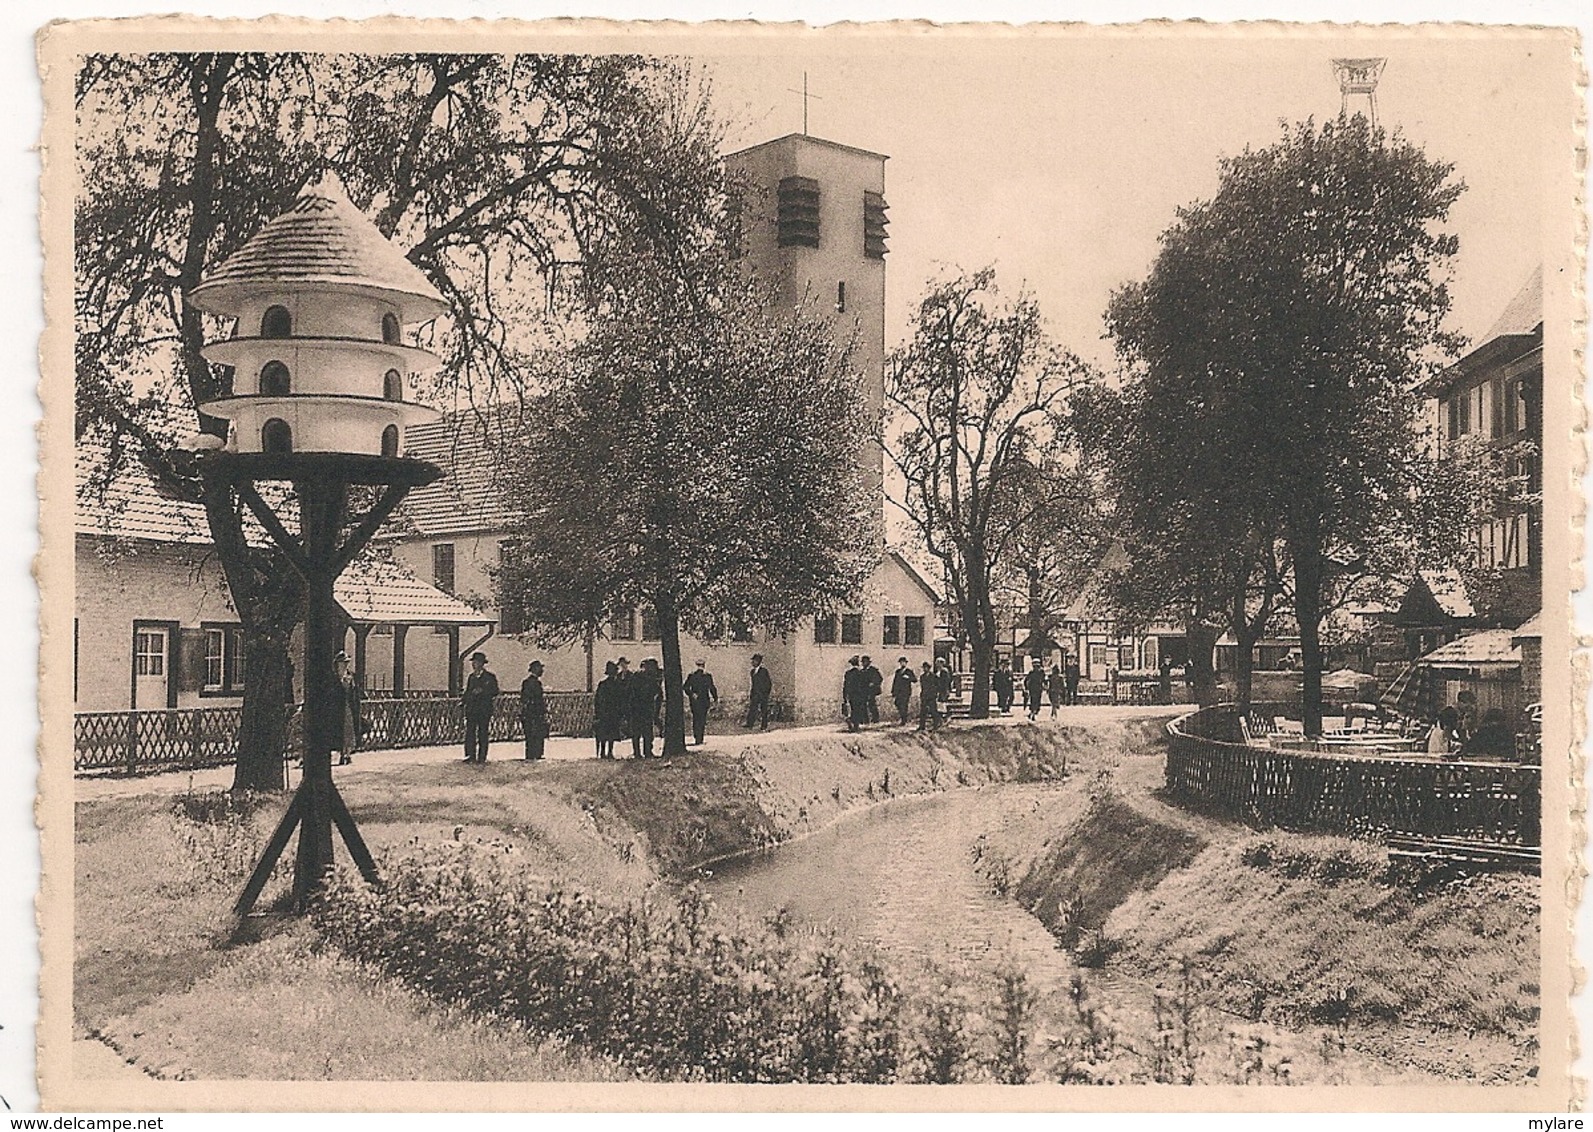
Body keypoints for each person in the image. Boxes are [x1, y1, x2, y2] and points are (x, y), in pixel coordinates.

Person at [461, 652, 499, 763]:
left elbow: (495, 691)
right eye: (473, 662)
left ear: (482, 664)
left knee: (483, 732)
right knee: (470, 731)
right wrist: (464, 701)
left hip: (484, 709)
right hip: (472, 709)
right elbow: (468, 691)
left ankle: (482, 756)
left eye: (476, 662)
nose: (474, 664)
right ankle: (470, 755)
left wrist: (483, 691)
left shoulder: (490, 677)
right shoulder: (471, 677)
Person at [333, 651, 361, 765]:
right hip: (336, 707)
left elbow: (354, 693)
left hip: (348, 707)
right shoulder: (334, 677)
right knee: (338, 730)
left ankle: (347, 754)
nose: (344, 665)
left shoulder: (350, 676)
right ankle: (341, 752)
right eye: (342, 663)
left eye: (346, 663)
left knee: (349, 730)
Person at [630, 658, 662, 758]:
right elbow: (657, 692)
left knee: (641, 731)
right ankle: (645, 751)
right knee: (645, 731)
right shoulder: (646, 678)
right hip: (643, 707)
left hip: (640, 707)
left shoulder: (637, 676)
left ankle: (639, 752)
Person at [683, 658, 719, 746]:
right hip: (699, 701)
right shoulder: (696, 676)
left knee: (698, 719)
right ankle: (698, 737)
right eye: (699, 666)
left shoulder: (701, 676)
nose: (700, 668)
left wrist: (692, 694)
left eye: (701, 666)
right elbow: (685, 687)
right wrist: (692, 694)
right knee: (700, 719)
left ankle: (698, 737)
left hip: (700, 701)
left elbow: (711, 688)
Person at [593, 660, 623, 760]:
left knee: (609, 733)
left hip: (610, 712)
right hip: (607, 712)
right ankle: (605, 752)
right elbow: (598, 699)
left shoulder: (614, 684)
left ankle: (607, 751)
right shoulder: (607, 685)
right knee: (607, 733)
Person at [520, 660, 549, 761]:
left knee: (532, 735)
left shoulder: (529, 682)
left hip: (531, 713)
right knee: (535, 734)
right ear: (535, 669)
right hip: (533, 713)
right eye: (540, 668)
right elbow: (533, 699)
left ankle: (532, 754)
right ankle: (535, 754)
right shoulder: (533, 683)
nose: (542, 671)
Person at [746, 654, 772, 730]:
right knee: (753, 708)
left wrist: (765, 693)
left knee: (764, 710)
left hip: (763, 694)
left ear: (758, 662)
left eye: (754, 661)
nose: (752, 663)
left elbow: (768, 683)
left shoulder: (764, 671)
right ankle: (750, 723)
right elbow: (753, 684)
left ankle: (764, 725)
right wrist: (752, 693)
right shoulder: (752, 672)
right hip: (755, 694)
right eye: (752, 661)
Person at [842, 655, 867, 732]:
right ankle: (855, 725)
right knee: (858, 710)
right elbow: (864, 685)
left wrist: (845, 696)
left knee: (853, 709)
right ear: (858, 664)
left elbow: (845, 685)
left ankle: (851, 721)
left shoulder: (848, 673)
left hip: (851, 694)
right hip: (860, 694)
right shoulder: (861, 673)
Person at [890, 657, 917, 724]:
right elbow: (895, 681)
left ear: (906, 663)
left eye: (903, 662)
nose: (902, 663)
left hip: (906, 691)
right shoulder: (898, 671)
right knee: (897, 703)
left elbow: (914, 680)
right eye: (901, 662)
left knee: (904, 705)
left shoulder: (909, 671)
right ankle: (903, 717)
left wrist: (908, 678)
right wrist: (893, 691)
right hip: (899, 691)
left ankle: (904, 720)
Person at [916, 660, 939, 732]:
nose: (925, 669)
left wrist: (935, 694)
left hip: (931, 696)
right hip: (924, 696)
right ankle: (922, 726)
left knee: (933, 711)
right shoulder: (922, 677)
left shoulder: (934, 676)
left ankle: (936, 725)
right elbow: (922, 686)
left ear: (929, 668)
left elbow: (937, 686)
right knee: (923, 712)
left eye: (926, 667)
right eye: (924, 668)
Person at [861, 656, 883, 724]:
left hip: (872, 690)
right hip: (864, 690)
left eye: (865, 662)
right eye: (863, 662)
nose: (863, 664)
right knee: (863, 704)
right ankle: (865, 720)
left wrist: (873, 683)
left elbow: (880, 678)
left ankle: (875, 719)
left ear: (868, 662)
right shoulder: (862, 671)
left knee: (872, 704)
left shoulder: (873, 670)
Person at [932, 657, 953, 727]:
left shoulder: (944, 671)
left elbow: (945, 682)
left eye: (938, 663)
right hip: (939, 690)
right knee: (939, 705)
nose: (936, 664)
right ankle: (941, 721)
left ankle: (946, 718)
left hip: (943, 690)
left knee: (942, 704)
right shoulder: (938, 671)